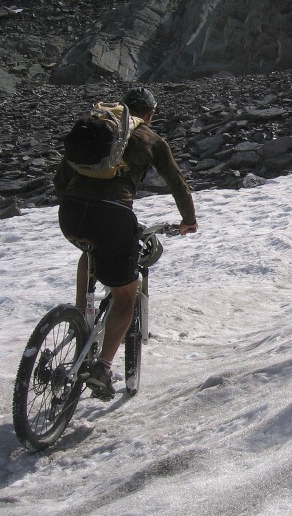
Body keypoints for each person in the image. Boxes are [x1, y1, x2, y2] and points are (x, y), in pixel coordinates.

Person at [54, 87, 198, 399]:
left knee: (89, 248)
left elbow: (61, 179)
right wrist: (189, 220)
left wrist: (76, 202)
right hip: (114, 215)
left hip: (71, 213)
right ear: (149, 114)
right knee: (125, 296)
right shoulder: (150, 139)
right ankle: (103, 367)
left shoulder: (97, 129)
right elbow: (176, 183)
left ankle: (82, 317)